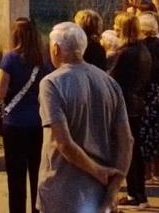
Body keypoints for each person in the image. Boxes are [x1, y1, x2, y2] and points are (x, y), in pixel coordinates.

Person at [36, 22, 132, 213]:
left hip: (62, 190)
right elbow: (126, 140)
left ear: (55, 48)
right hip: (98, 194)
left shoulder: (52, 83)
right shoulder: (109, 82)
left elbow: (64, 144)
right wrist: (114, 186)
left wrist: (98, 172)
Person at [0, 18, 53, 213]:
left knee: (16, 176)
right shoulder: (45, 60)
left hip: (15, 123)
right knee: (38, 172)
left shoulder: (10, 58)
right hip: (39, 122)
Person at [107, 12, 152, 208]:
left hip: (125, 103)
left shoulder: (125, 53)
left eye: (117, 27)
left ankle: (134, 193)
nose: (114, 29)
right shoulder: (143, 49)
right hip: (137, 102)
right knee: (136, 150)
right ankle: (139, 193)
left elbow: (111, 78)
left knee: (127, 151)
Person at [137, 13, 159, 185]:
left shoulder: (142, 46)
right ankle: (157, 171)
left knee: (145, 132)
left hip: (146, 91)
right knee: (158, 131)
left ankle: (147, 173)